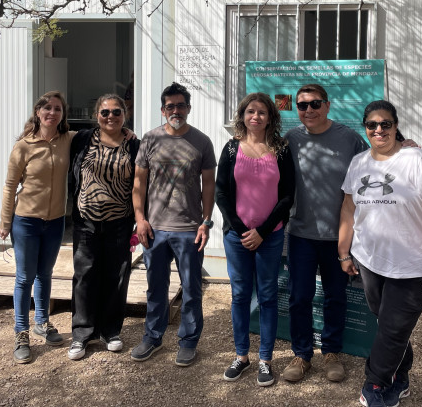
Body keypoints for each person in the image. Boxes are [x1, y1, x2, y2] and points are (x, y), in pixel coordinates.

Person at [338, 100, 422, 407]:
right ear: (365, 129)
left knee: (391, 329)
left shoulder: (414, 160)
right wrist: (344, 252)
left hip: (412, 266)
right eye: (372, 125)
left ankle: (373, 385)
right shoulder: (359, 162)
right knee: (391, 326)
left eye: (385, 124)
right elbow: (349, 207)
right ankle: (400, 379)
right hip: (370, 261)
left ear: (395, 126)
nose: (379, 130)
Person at [280, 83, 367, 384]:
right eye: (302, 105)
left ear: (327, 106)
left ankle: (331, 352)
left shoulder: (350, 139)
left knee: (335, 297)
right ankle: (302, 355)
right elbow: (261, 160)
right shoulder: (290, 139)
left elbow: (376, 165)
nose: (308, 110)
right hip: (302, 234)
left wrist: (405, 144)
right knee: (299, 297)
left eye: (315, 104)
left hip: (338, 238)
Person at [130, 82, 216, 367]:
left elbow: (208, 185)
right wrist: (140, 220)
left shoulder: (202, 142)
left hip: (189, 229)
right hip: (154, 228)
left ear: (188, 108)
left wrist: (205, 222)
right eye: (170, 106)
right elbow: (139, 183)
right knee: (155, 287)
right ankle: (152, 337)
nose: (175, 111)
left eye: (181, 105)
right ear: (162, 110)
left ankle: (189, 341)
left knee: (191, 289)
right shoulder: (150, 139)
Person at [215, 92, 296, 387]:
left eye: (262, 112)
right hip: (237, 238)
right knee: (239, 296)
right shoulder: (231, 148)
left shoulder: (281, 149)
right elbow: (221, 193)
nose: (256, 117)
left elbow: (288, 195)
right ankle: (241, 355)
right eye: (251, 111)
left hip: (270, 236)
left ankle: (265, 359)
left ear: (271, 117)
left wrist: (262, 231)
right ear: (243, 115)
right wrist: (240, 230)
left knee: (267, 297)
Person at [0, 91, 72, 364]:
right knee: (24, 277)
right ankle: (21, 332)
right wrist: (6, 221)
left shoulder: (68, 140)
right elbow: (9, 187)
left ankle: (42, 321)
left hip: (55, 222)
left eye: (58, 109)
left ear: (62, 114)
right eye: (48, 108)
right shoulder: (24, 146)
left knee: (45, 273)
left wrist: (126, 131)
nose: (52, 113)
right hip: (26, 220)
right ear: (38, 112)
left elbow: (101, 134)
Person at [67, 94, 139, 361]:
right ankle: (81, 334)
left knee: (116, 277)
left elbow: (140, 184)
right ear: (97, 115)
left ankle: (110, 331)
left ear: (125, 115)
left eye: (116, 112)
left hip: (119, 222)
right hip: (86, 221)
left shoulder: (134, 145)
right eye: (105, 112)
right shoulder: (82, 139)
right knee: (85, 276)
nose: (111, 117)